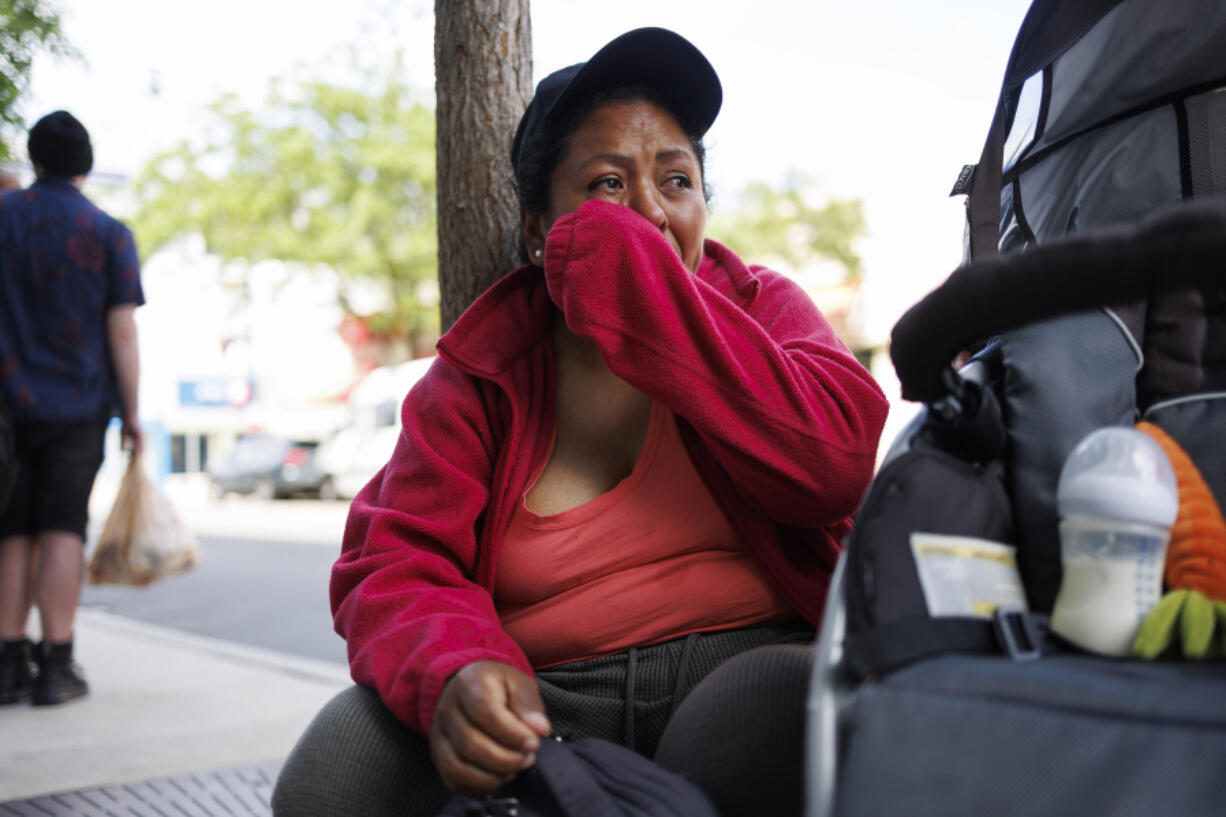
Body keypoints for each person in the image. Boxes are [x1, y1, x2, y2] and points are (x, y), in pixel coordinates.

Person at [273, 27, 887, 817]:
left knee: (784, 704)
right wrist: (459, 670)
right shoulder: (485, 369)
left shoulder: (762, 308)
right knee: (334, 773)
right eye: (606, 185)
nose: (650, 213)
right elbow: (393, 559)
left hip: (744, 666)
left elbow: (833, 464)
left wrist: (645, 294)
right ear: (537, 229)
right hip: (545, 700)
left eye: (676, 179)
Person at [0, 110, 145, 707]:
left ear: (34, 160)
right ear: (85, 166)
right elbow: (122, 332)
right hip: (80, 406)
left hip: (5, 407)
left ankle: (7, 663)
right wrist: (133, 414)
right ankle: (57, 665)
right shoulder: (109, 233)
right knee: (63, 530)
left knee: (10, 531)